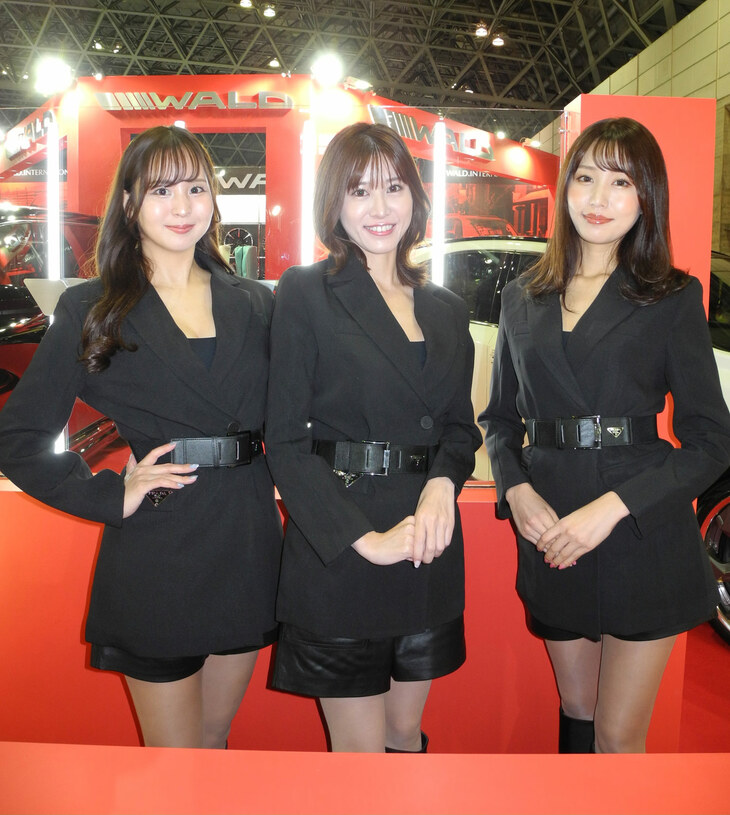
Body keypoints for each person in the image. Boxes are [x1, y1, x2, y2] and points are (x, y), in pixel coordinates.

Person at [0, 126, 282, 748]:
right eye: (160, 191)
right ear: (129, 203)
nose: (182, 206)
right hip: (160, 546)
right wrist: (108, 494)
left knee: (215, 742)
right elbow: (18, 436)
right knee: (175, 762)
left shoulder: (255, 303)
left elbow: (292, 416)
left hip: (247, 540)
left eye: (196, 188)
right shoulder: (93, 307)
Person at [481, 117, 730, 754]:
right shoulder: (522, 296)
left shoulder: (671, 297)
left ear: (647, 196)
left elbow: (711, 440)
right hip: (552, 528)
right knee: (577, 709)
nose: (598, 198)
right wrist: (516, 492)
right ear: (565, 188)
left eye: (621, 182)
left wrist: (612, 508)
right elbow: (500, 420)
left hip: (640, 530)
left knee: (619, 737)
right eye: (586, 178)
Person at [265, 122, 481, 753]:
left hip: (425, 546)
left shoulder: (446, 308)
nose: (379, 207)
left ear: (415, 195)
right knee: (358, 754)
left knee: (404, 732)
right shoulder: (306, 291)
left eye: (393, 187)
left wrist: (442, 485)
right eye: (358, 191)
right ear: (334, 203)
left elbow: (459, 429)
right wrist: (365, 540)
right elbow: (286, 441)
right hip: (341, 548)